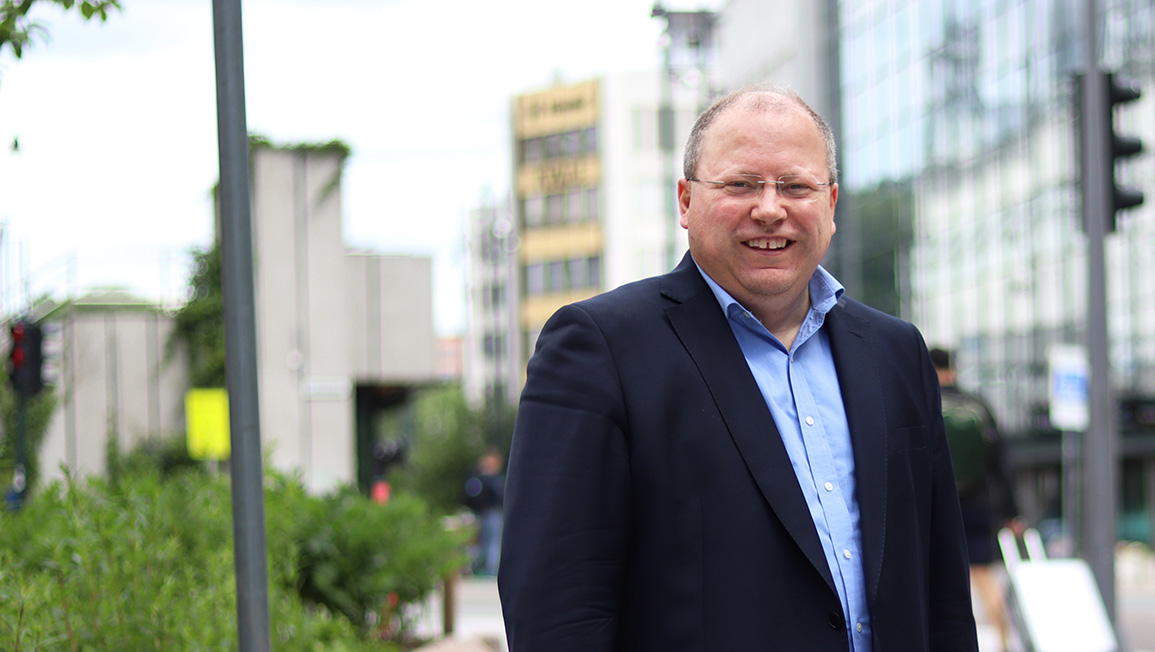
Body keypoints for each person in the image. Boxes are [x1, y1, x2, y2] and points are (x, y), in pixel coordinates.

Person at [498, 83, 978, 651]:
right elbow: (555, 611)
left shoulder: (896, 353)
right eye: (741, 184)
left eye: (795, 186)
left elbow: (943, 592)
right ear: (685, 201)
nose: (770, 209)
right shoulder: (599, 350)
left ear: (830, 204)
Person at [930, 347, 1022, 650]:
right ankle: (1004, 641)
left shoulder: (926, 401)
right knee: (984, 577)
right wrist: (1011, 511)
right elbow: (1001, 462)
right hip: (978, 505)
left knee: (938, 579)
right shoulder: (978, 405)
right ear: (953, 369)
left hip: (937, 508)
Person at [464, 448, 505, 576]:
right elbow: (471, 494)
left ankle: (490, 569)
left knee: (492, 541)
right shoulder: (477, 477)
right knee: (478, 542)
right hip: (478, 513)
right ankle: (476, 567)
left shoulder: (496, 479)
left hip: (492, 513)